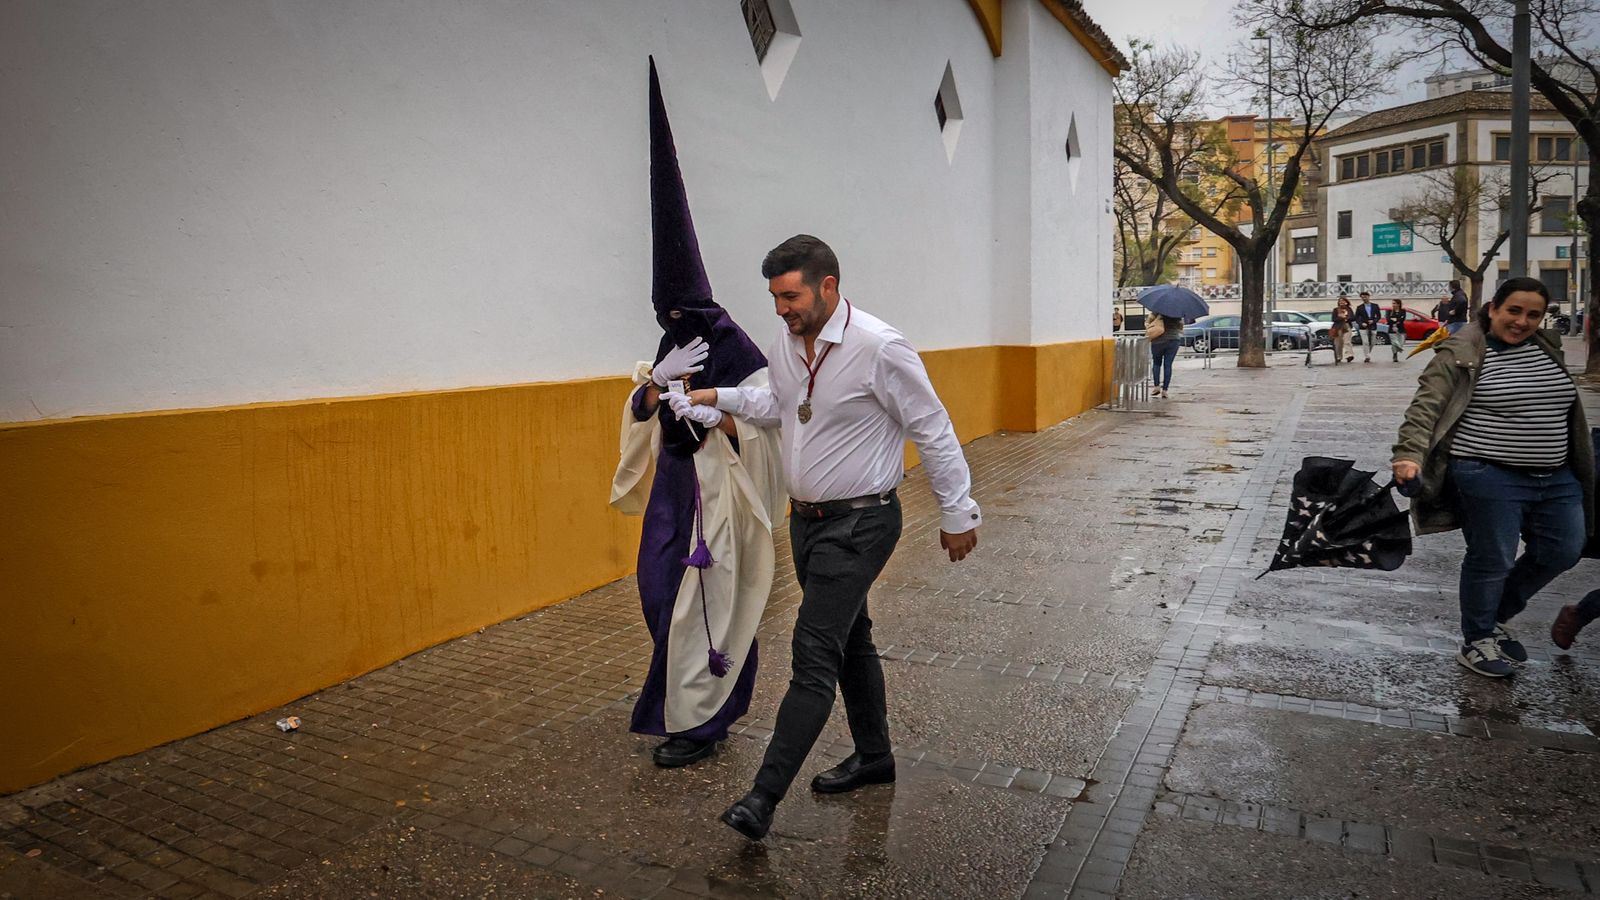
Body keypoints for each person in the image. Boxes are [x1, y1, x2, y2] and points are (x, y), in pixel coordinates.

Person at [674, 234, 981, 841]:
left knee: (813, 652)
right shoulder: (786, 346)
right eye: (775, 298)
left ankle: (762, 798)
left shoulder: (880, 347)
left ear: (828, 287)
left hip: (862, 522)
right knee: (851, 638)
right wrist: (716, 397)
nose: (781, 309)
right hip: (807, 522)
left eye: (789, 296)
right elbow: (778, 404)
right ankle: (875, 755)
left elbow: (934, 427)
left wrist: (958, 512)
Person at [607, 60, 787, 769]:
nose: (672, 321)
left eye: (680, 311)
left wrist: (722, 418)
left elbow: (773, 416)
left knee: (705, 604)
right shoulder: (673, 338)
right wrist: (656, 391)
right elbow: (643, 409)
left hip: (717, 498)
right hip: (672, 493)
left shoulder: (734, 342)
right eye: (664, 314)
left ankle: (700, 723)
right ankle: (685, 703)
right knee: (658, 592)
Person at [1391, 276, 1594, 678]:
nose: (1522, 321)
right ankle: (1478, 638)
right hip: (1487, 473)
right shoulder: (1460, 352)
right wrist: (1409, 456)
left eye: (1533, 314)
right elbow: (1425, 408)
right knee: (1493, 557)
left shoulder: (1545, 346)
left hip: (1556, 475)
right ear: (1493, 309)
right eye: (1513, 311)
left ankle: (1498, 613)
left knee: (1564, 549)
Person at [1147, 311, 1182, 397]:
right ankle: (1165, 390)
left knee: (1156, 364)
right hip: (1173, 340)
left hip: (1158, 341)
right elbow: (1180, 327)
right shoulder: (1177, 313)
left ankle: (1156, 386)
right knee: (1168, 365)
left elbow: (1148, 323)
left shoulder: (1156, 311)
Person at [1353, 291, 1382, 363]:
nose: (1364, 298)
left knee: (1372, 342)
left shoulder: (1375, 306)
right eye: (1362, 297)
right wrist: (1361, 323)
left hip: (1372, 326)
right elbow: (1356, 318)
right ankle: (1367, 356)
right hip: (1363, 327)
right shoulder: (1359, 307)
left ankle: (1368, 353)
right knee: (1365, 342)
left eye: (1365, 297)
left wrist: (1374, 321)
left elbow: (1378, 316)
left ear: (1368, 297)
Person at [1329, 295, 1354, 364]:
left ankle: (1349, 355)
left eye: (1343, 301)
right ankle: (1338, 357)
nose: (1341, 302)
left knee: (1347, 341)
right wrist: (1341, 318)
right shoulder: (1336, 310)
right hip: (1338, 327)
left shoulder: (1349, 309)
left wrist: (1347, 318)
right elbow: (1334, 319)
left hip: (1347, 326)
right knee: (1338, 343)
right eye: (1340, 301)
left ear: (1346, 302)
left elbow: (1353, 318)